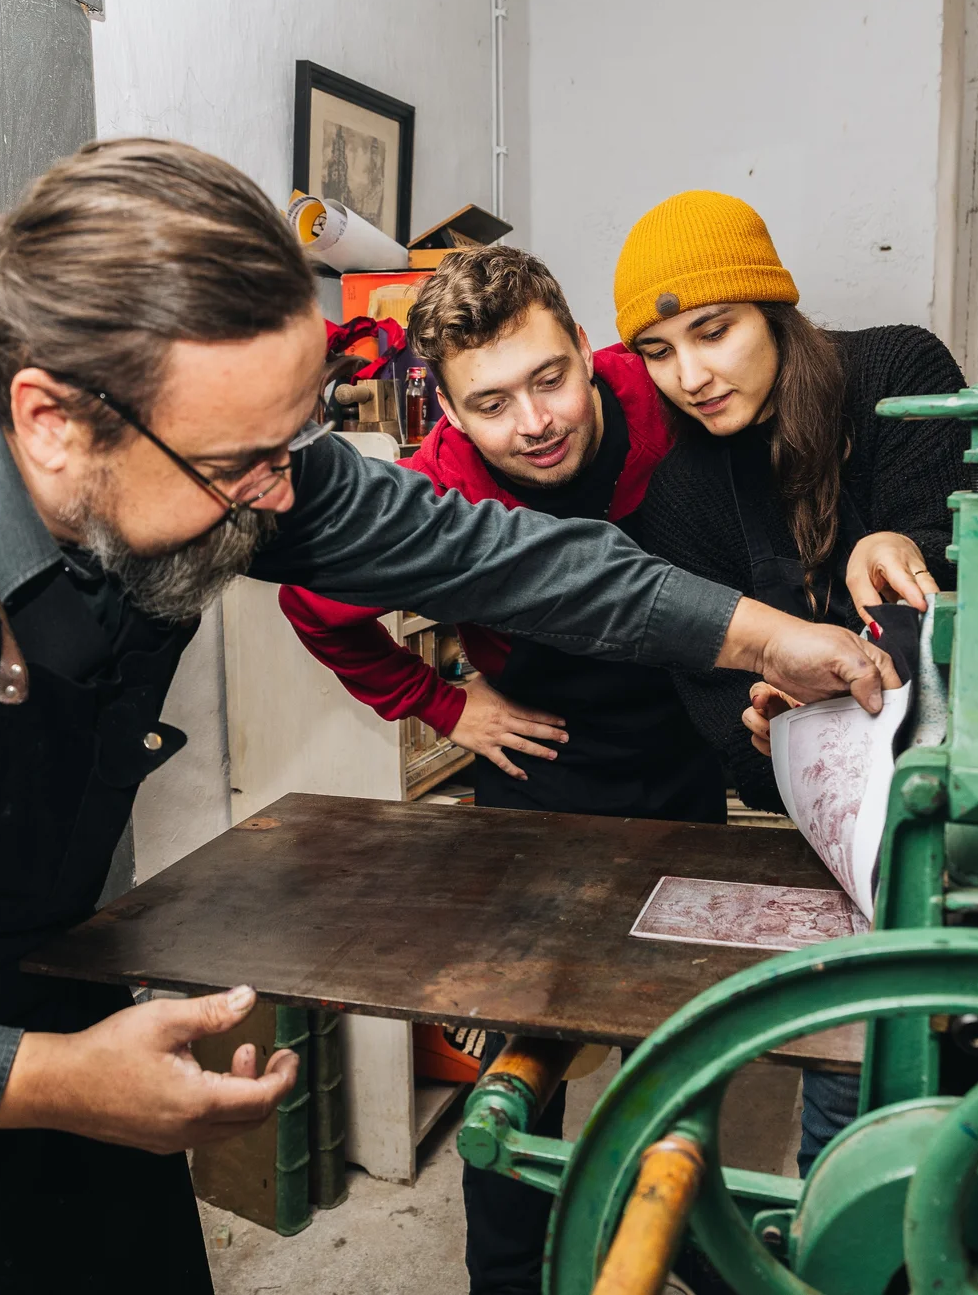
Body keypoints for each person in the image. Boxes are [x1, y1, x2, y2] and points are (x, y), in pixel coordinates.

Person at [0, 142, 897, 1294]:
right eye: (244, 465)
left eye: (298, 444)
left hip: (66, 1044)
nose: (288, 501)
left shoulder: (230, 455)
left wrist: (772, 634)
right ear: (53, 418)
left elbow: (497, 555)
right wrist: (46, 1079)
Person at [278, 247, 783, 1294]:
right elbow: (315, 605)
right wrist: (449, 704)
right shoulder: (437, 488)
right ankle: (505, 1276)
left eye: (550, 378)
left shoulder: (659, 395)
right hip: (543, 777)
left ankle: (692, 1232)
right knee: (515, 1073)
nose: (535, 422)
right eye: (493, 403)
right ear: (452, 415)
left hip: (682, 763)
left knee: (677, 1041)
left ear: (587, 354)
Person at [611, 189, 978, 1186]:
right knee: (857, 1084)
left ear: (769, 305)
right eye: (657, 350)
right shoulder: (678, 500)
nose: (690, 374)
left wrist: (912, 545)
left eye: (712, 331)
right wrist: (761, 730)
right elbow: (715, 707)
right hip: (861, 835)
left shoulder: (897, 373)